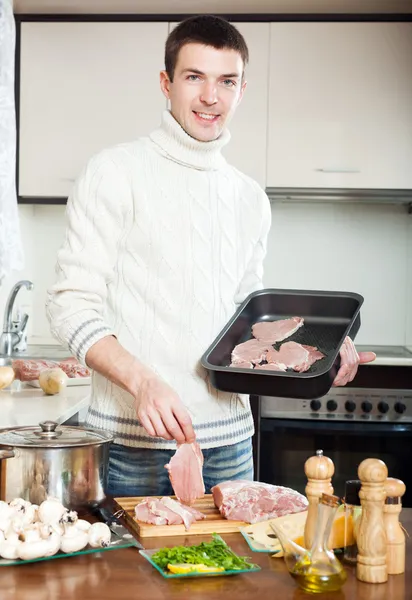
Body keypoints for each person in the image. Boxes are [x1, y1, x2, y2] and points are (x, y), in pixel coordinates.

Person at [46, 15, 376, 497]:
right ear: (166, 83)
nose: (210, 97)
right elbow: (68, 305)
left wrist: (321, 353)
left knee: (233, 573)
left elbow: (247, 315)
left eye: (227, 81)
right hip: (132, 444)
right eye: (194, 77)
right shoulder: (114, 172)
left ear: (242, 91)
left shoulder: (248, 197)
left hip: (232, 443)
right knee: (129, 576)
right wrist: (144, 383)